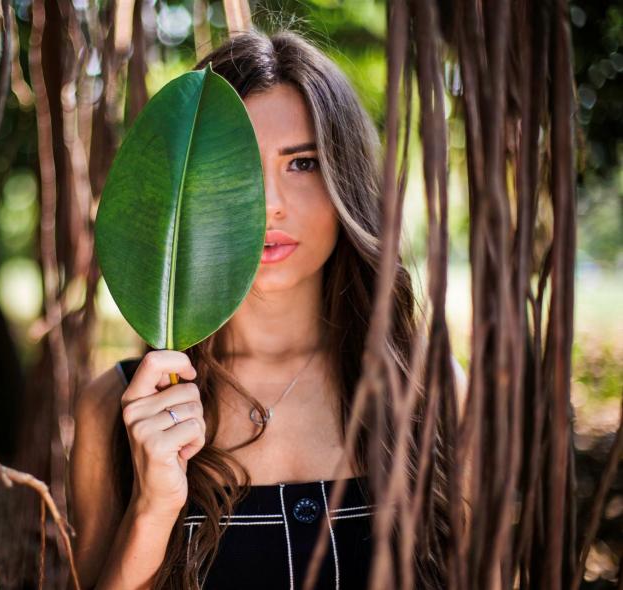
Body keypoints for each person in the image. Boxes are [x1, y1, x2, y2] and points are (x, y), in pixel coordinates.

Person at [69, 28, 464, 590]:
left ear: (344, 181)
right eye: (239, 168)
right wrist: (152, 512)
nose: (271, 204)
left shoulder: (433, 390)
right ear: (189, 194)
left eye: (301, 163)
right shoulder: (115, 410)